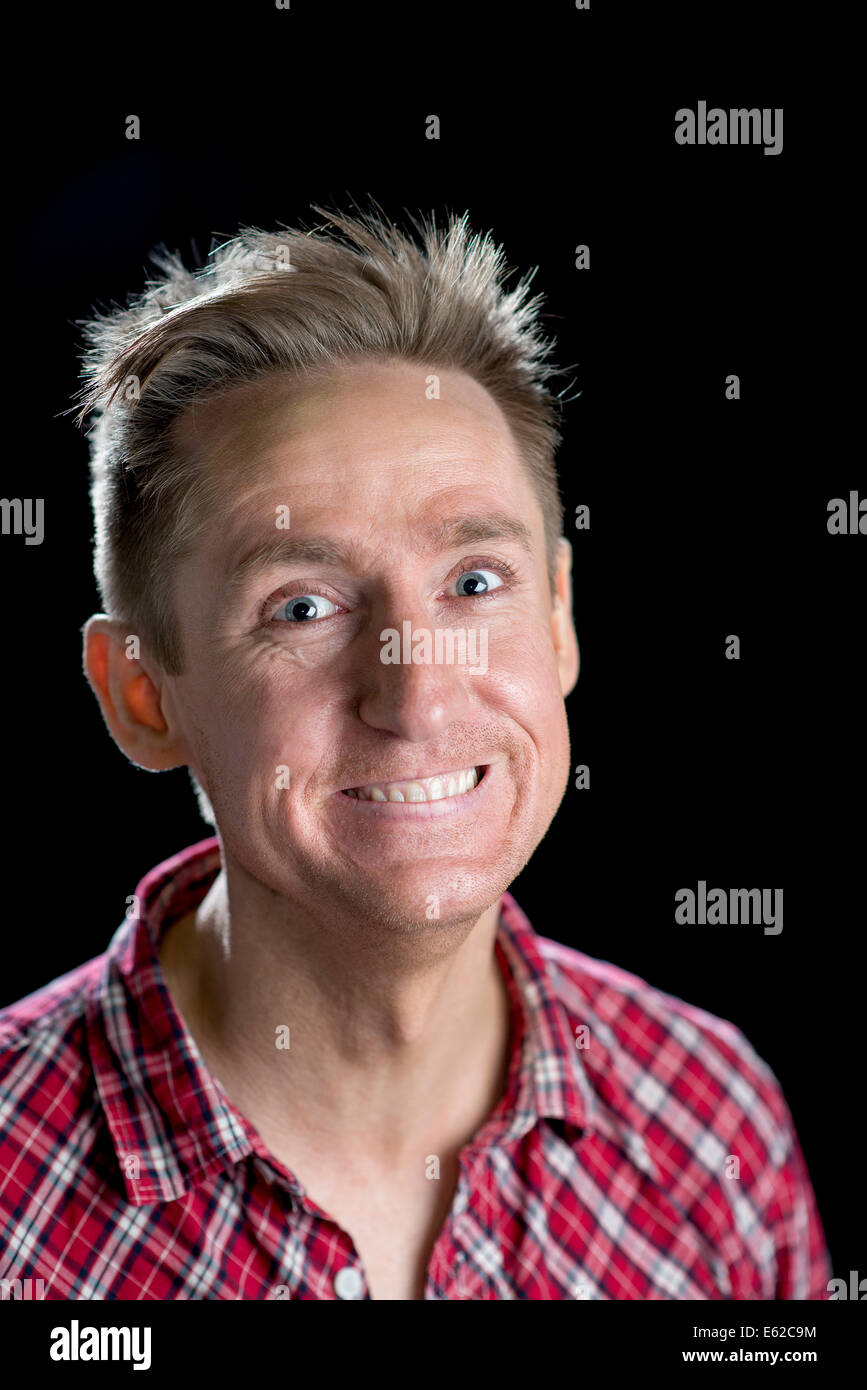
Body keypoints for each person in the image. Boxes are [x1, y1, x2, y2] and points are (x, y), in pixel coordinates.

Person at [0, 207, 831, 1300]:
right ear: (143, 694)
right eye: (301, 605)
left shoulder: (715, 1127)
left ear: (561, 621)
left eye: (476, 583)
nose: (417, 688)